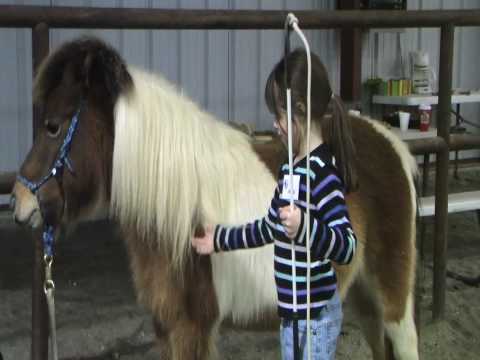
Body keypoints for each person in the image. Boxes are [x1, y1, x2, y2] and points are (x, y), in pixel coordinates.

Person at [192, 49, 358, 360]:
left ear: (300, 109)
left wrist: (306, 227)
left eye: (280, 114)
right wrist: (219, 239)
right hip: (292, 316)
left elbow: (347, 246)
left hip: (315, 319)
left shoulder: (323, 175)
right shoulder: (289, 169)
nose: (275, 124)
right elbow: (268, 227)